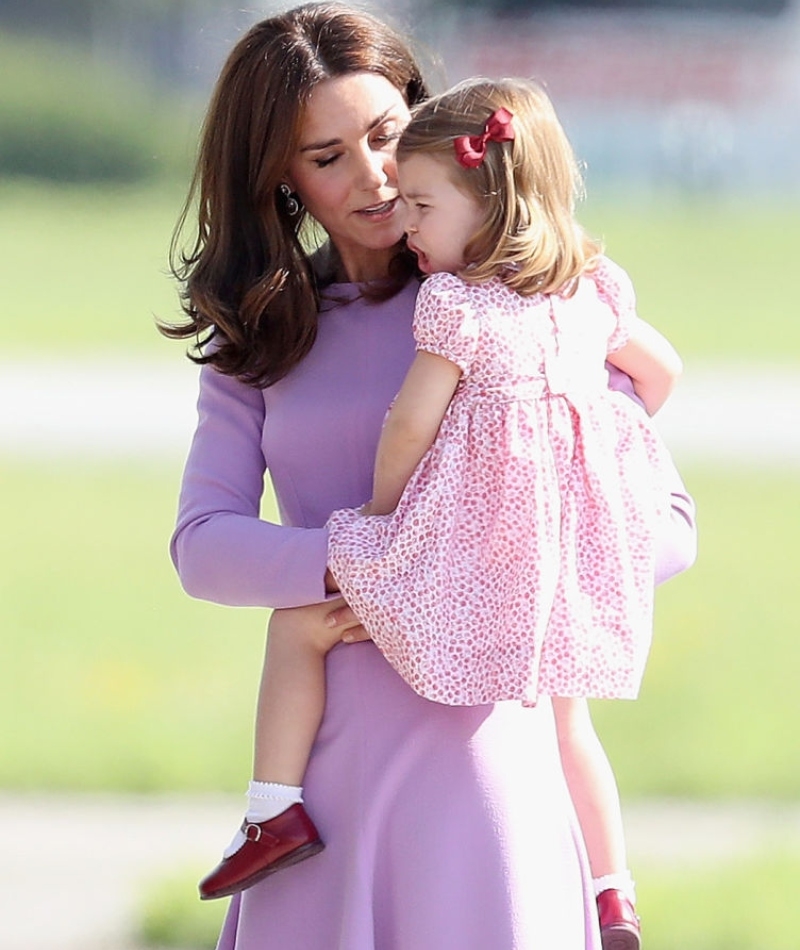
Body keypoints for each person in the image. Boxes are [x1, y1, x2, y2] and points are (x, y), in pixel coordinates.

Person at [163, 5, 697, 948]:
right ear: (280, 180)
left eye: (384, 134)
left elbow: (667, 527)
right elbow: (205, 551)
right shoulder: (259, 341)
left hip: (494, 777)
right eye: (326, 157)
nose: (372, 177)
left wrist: (473, 566)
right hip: (316, 798)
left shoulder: (534, 304)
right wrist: (370, 568)